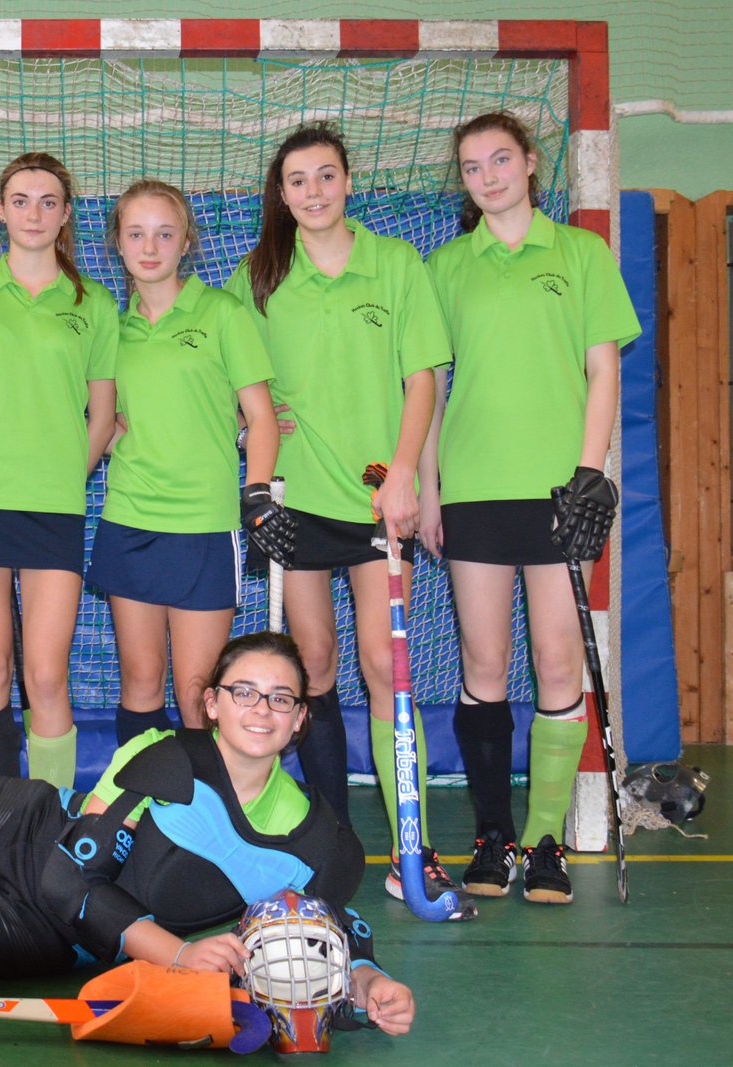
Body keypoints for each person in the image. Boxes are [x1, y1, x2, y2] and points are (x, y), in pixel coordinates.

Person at [0, 631, 415, 1037]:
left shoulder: (318, 842)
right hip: (17, 823)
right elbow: (67, 873)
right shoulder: (165, 756)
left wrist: (372, 984)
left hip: (47, 930)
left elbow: (336, 933)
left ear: (301, 716)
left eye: (280, 698)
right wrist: (179, 955)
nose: (261, 709)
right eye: (244, 692)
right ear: (212, 703)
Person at [225, 124, 455, 903]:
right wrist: (252, 423)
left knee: (386, 666)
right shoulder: (257, 277)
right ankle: (334, 837)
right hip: (296, 500)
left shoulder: (396, 264)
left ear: (348, 182)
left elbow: (422, 380)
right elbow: (230, 380)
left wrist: (405, 473)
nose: (313, 191)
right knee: (314, 664)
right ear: (281, 193)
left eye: (326, 175)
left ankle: (413, 845)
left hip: (374, 495)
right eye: (298, 180)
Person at [420, 112, 640, 903]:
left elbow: (603, 369)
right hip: (473, 488)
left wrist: (588, 473)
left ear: (532, 162)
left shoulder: (580, 254)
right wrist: (430, 487)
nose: (487, 176)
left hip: (558, 495)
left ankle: (545, 842)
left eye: (500, 160)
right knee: (483, 665)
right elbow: (429, 386)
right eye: (472, 166)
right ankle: (493, 837)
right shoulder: (446, 266)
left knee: (556, 662)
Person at [0, 152, 119, 787]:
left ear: (66, 214)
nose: (34, 214)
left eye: (48, 202)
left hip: (54, 507)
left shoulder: (94, 304)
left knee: (45, 674)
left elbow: (104, 413)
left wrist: (68, 476)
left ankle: (54, 816)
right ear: (0, 211)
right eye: (20, 201)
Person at [91, 179, 289, 739]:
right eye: (136, 234)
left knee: (198, 693)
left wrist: (256, 495)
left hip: (204, 526)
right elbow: (108, 422)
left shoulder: (223, 313)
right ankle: (142, 792)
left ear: (186, 243)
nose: (149, 247)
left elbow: (262, 418)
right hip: (130, 519)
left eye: (164, 233)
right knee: (140, 681)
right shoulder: (112, 328)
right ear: (118, 244)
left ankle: (205, 795)